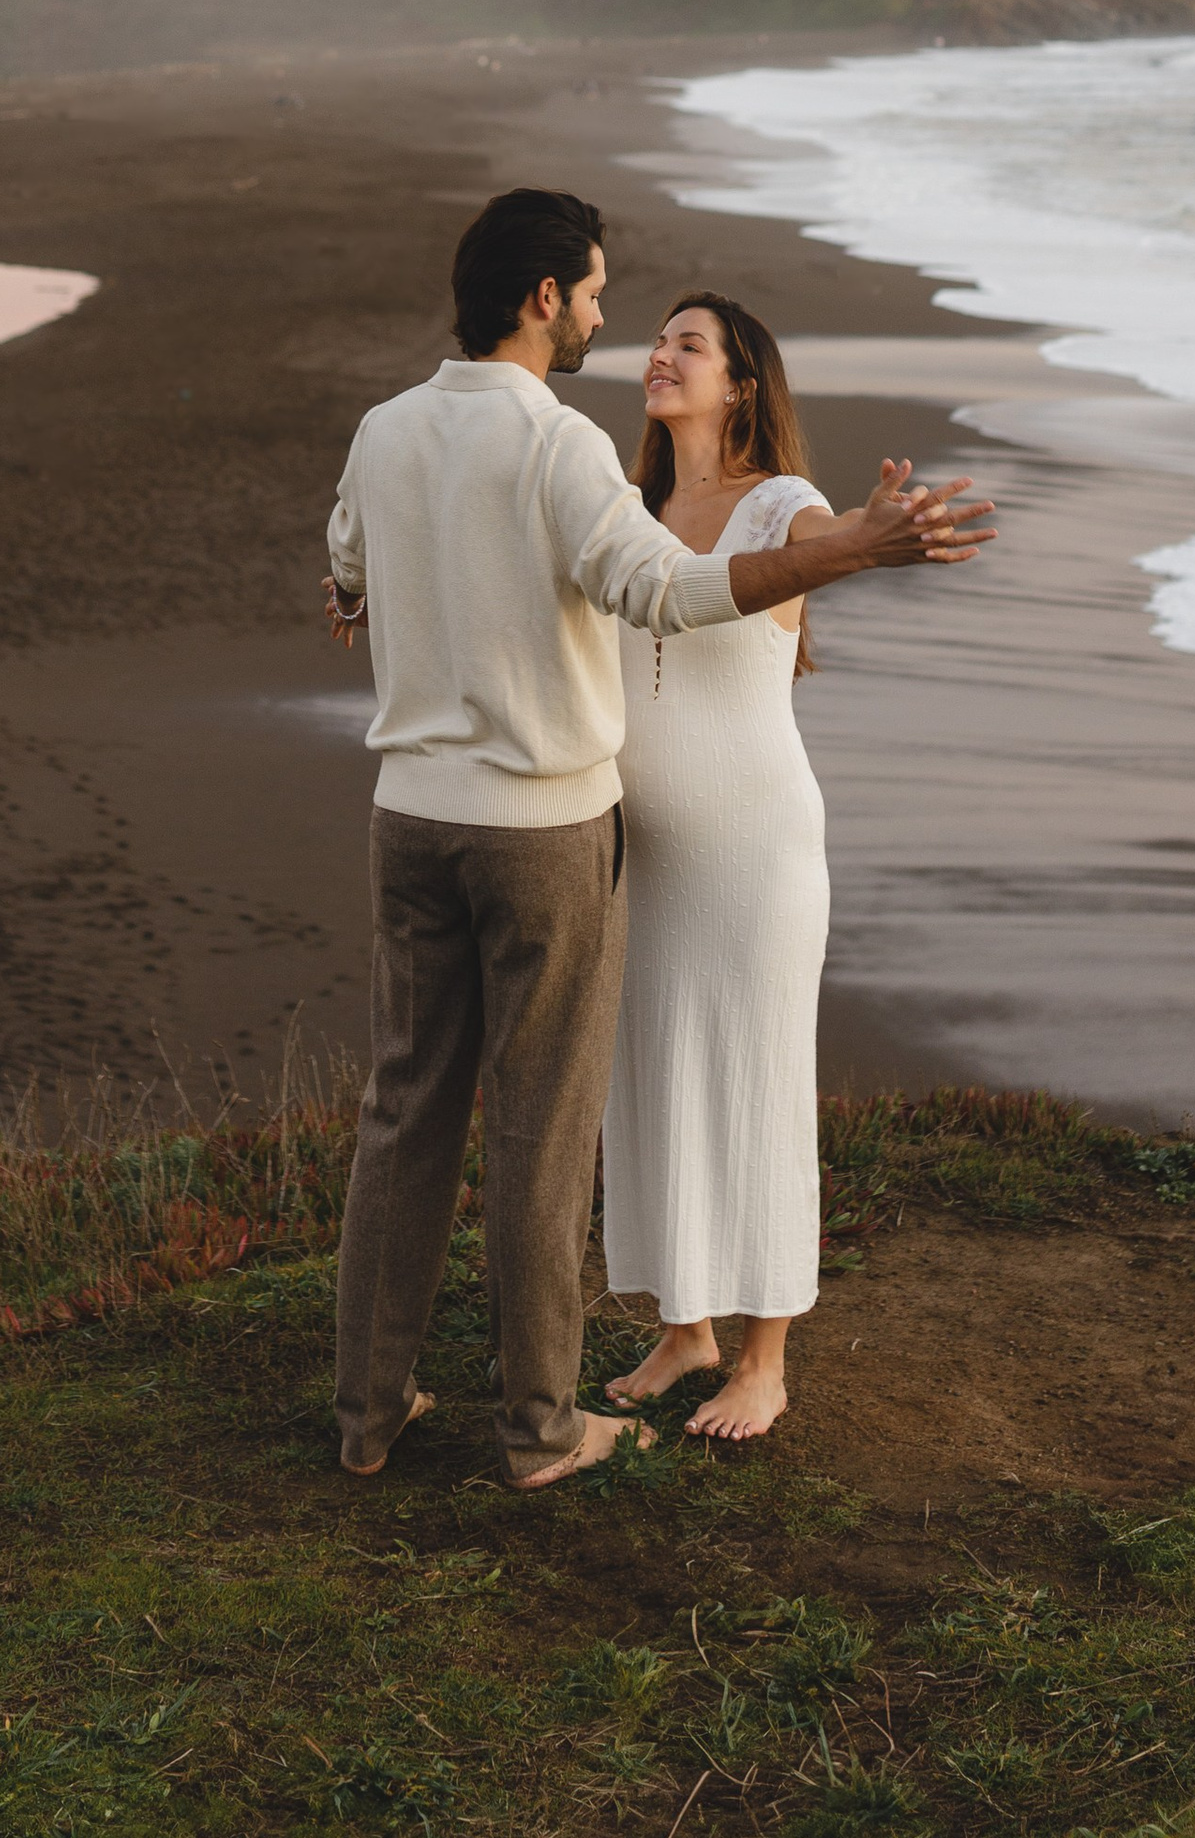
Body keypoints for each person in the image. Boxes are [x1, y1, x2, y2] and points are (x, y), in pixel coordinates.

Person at [323, 187, 992, 1489]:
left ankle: (367, 1415)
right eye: (591, 296)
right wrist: (857, 544)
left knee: (405, 1111)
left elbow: (345, 560)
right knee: (541, 1128)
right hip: (540, 830)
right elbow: (669, 591)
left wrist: (360, 594)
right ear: (538, 300)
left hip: (408, 820)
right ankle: (539, 1430)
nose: (602, 322)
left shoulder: (384, 431)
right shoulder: (563, 448)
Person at [603, 294, 990, 1442]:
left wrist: (870, 531)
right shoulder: (624, 512)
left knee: (754, 1080)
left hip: (753, 850)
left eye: (691, 344)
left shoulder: (782, 504)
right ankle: (687, 1328)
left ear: (742, 385)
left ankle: (763, 1361)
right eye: (659, 339)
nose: (662, 355)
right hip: (645, 858)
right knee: (659, 1077)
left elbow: (825, 547)